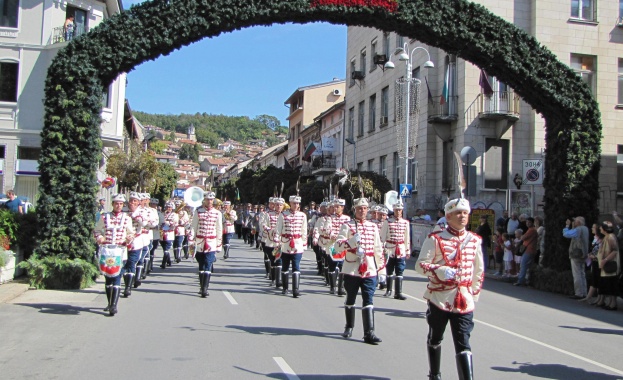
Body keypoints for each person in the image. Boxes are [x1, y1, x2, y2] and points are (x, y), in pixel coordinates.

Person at [415, 198, 484, 380]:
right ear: (448, 216)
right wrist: (440, 270)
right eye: (458, 213)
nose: (462, 217)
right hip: (439, 298)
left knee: (463, 342)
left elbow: (479, 270)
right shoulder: (436, 239)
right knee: (436, 336)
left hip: (463, 300)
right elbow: (420, 265)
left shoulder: (474, 240)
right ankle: (434, 374)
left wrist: (473, 295)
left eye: (465, 213)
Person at [335, 197, 386, 344]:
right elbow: (337, 246)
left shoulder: (373, 227)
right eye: (359, 208)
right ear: (354, 210)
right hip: (352, 267)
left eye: (364, 209)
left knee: (368, 299)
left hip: (369, 268)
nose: (362, 211)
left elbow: (378, 250)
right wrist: (351, 242)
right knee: (351, 297)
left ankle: (369, 332)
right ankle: (349, 326)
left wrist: (382, 271)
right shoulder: (347, 225)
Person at [94, 194, 135, 316]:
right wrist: (100, 238)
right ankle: (109, 302)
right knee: (108, 277)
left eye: (121, 204)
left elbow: (131, 233)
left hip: (120, 250)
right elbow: (96, 230)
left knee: (117, 276)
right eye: (116, 203)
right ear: (112, 204)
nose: (118, 206)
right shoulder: (104, 217)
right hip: (107, 250)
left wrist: (129, 238)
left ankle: (114, 305)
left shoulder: (127, 218)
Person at [191, 190, 223, 298]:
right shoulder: (198, 211)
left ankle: (205, 288)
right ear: (204, 200)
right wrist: (191, 240)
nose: (209, 201)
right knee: (201, 264)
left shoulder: (217, 213)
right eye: (208, 199)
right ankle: (201, 286)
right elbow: (193, 227)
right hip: (200, 241)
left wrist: (219, 244)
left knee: (208, 263)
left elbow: (219, 229)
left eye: (211, 199)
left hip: (211, 242)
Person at [275, 194, 308, 298]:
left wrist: (304, 244)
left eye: (298, 203)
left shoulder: (302, 215)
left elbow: (304, 230)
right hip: (285, 243)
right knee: (285, 266)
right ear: (290, 203)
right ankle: (285, 288)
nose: (296, 205)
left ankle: (295, 290)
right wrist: (277, 242)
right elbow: (278, 229)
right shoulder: (283, 215)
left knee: (296, 266)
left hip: (297, 244)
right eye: (294, 203)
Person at [380, 200, 410, 300]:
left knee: (400, 271)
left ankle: (398, 292)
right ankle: (388, 290)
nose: (398, 212)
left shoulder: (405, 223)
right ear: (393, 210)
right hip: (390, 249)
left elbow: (406, 238)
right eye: (396, 210)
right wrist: (381, 249)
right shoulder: (387, 222)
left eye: (400, 210)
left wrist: (407, 250)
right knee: (389, 270)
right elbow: (382, 237)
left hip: (400, 249)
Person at [124, 192, 148, 297]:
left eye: (135, 201)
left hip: (136, 241)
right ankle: (126, 282)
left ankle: (128, 287)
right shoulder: (123, 210)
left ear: (138, 202)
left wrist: (134, 214)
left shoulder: (142, 211)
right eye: (131, 200)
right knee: (124, 264)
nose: (132, 203)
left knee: (132, 263)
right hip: (123, 241)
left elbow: (145, 223)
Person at [327, 198, 351, 296]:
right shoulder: (330, 218)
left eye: (338, 207)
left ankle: (341, 287)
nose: (335, 208)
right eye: (334, 207)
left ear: (342, 208)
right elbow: (327, 228)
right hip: (332, 244)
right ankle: (333, 286)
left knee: (342, 266)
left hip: (342, 245)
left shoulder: (347, 218)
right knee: (332, 265)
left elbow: (349, 231)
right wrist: (331, 234)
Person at [563, 216, 589, 299]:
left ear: (579, 222)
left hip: (576, 253)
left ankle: (578, 293)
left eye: (575, 221)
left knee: (577, 273)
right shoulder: (585, 229)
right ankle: (584, 292)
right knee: (582, 273)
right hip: (583, 253)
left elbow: (566, 234)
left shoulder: (578, 229)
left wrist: (567, 226)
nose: (574, 222)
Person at [597, 221, 619, 310]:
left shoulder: (611, 237)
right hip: (605, 265)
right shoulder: (607, 237)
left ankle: (613, 304)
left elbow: (615, 250)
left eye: (601, 227)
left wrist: (605, 260)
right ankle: (610, 303)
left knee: (611, 284)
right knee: (608, 284)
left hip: (609, 265)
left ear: (605, 229)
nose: (599, 229)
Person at [265, 197, 284, 287]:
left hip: (281, 242)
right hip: (271, 241)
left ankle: (278, 279)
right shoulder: (268, 214)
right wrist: (271, 230)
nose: (278, 207)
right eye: (277, 205)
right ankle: (273, 278)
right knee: (273, 261)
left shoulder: (285, 215)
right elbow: (263, 225)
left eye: (280, 205)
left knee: (279, 260)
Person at [582, 223, 603, 304]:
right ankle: (589, 297)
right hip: (593, 261)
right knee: (594, 279)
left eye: (593, 227)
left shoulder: (601, 239)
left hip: (598, 261)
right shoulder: (595, 238)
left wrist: (594, 256)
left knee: (598, 279)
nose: (592, 228)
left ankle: (599, 299)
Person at [514, 217, 538, 286]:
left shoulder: (531, 230)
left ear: (532, 223)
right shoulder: (530, 230)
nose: (527, 223)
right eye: (527, 222)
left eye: (529, 222)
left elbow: (523, 237)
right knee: (528, 266)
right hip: (530, 250)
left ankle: (520, 281)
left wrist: (522, 236)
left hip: (529, 250)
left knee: (523, 265)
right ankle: (528, 280)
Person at [159, 201, 179, 269]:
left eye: (170, 207)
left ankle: (163, 263)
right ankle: (169, 261)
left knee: (166, 249)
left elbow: (175, 223)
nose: (168, 208)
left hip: (169, 233)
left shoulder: (174, 215)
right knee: (164, 248)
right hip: (162, 233)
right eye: (167, 207)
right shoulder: (162, 214)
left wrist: (167, 222)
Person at [148, 198, 163, 273]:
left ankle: (150, 265)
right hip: (147, 233)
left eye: (154, 204)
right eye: (151, 204)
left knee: (152, 250)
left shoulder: (159, 213)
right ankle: (146, 266)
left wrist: (157, 226)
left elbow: (161, 223)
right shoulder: (146, 211)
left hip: (155, 233)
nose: (153, 206)